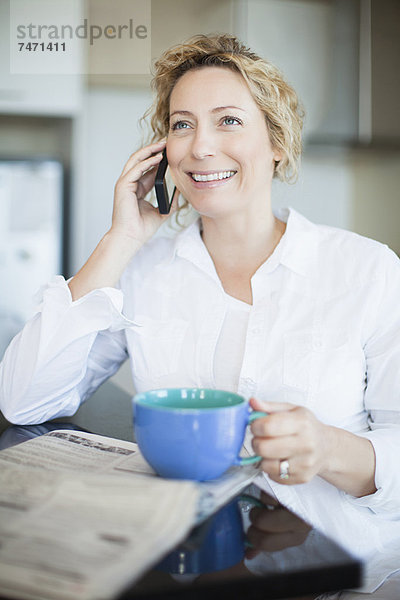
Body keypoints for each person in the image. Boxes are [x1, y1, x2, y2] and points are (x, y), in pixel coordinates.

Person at [0, 33, 399, 528]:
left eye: (228, 121)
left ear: (277, 142)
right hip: (182, 555)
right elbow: (24, 400)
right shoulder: (144, 271)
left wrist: (331, 448)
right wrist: (121, 238)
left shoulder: (368, 269)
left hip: (332, 573)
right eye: (182, 125)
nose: (200, 147)